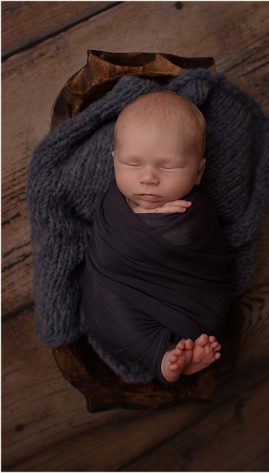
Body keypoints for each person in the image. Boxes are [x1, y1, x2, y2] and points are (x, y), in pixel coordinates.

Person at [83, 90, 227, 383]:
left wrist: (164, 224)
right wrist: (144, 218)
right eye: (132, 163)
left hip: (186, 297)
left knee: (209, 319)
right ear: (114, 160)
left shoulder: (196, 212)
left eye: (167, 166)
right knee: (106, 307)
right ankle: (160, 358)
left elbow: (198, 246)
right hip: (119, 293)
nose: (148, 177)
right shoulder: (113, 201)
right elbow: (107, 254)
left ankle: (182, 352)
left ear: (198, 172)